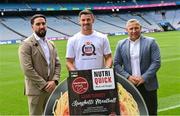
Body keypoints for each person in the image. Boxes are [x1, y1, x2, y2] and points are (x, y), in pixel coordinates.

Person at [114, 19, 161, 115]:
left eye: (136, 28)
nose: (134, 31)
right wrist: (128, 77)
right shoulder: (121, 44)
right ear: (126, 30)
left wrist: (144, 77)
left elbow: (156, 62)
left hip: (148, 84)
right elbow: (116, 64)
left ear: (141, 28)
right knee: (133, 112)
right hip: (130, 85)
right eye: (131, 28)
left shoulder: (151, 42)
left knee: (151, 112)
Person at [18, 14, 61, 115]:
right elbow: (27, 69)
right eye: (38, 24)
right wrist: (44, 84)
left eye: (43, 23)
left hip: (51, 89)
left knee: (51, 114)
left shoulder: (51, 44)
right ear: (32, 27)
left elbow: (57, 64)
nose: (41, 26)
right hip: (36, 91)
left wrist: (55, 81)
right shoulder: (26, 44)